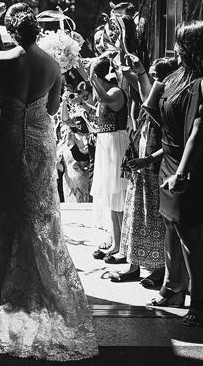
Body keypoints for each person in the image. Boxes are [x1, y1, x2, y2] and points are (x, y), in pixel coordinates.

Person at [0, 2, 98, 361]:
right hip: (38, 140)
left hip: (7, 139)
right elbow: (50, 111)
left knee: (10, 213)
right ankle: (41, 281)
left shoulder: (7, 59)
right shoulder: (53, 66)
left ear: (15, 33)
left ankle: (12, 286)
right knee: (39, 210)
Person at [141, 20, 203, 326]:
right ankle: (172, 285)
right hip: (170, 159)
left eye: (178, 42)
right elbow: (157, 115)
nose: (174, 47)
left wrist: (183, 172)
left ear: (190, 47)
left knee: (189, 232)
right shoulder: (176, 76)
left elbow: (198, 134)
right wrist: (153, 156)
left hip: (187, 166)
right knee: (170, 226)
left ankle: (199, 297)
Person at [116, 56, 179, 286]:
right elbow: (137, 84)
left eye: (155, 76)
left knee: (154, 222)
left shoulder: (167, 102)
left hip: (153, 168)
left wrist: (146, 160)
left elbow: (172, 143)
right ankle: (133, 265)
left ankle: (157, 270)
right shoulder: (153, 99)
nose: (152, 81)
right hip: (141, 167)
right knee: (135, 219)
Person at [88, 58, 131, 265]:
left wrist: (92, 79)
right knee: (112, 200)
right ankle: (115, 243)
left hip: (115, 143)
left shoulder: (115, 92)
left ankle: (123, 245)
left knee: (118, 197)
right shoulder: (105, 90)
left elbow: (103, 98)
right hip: (107, 142)